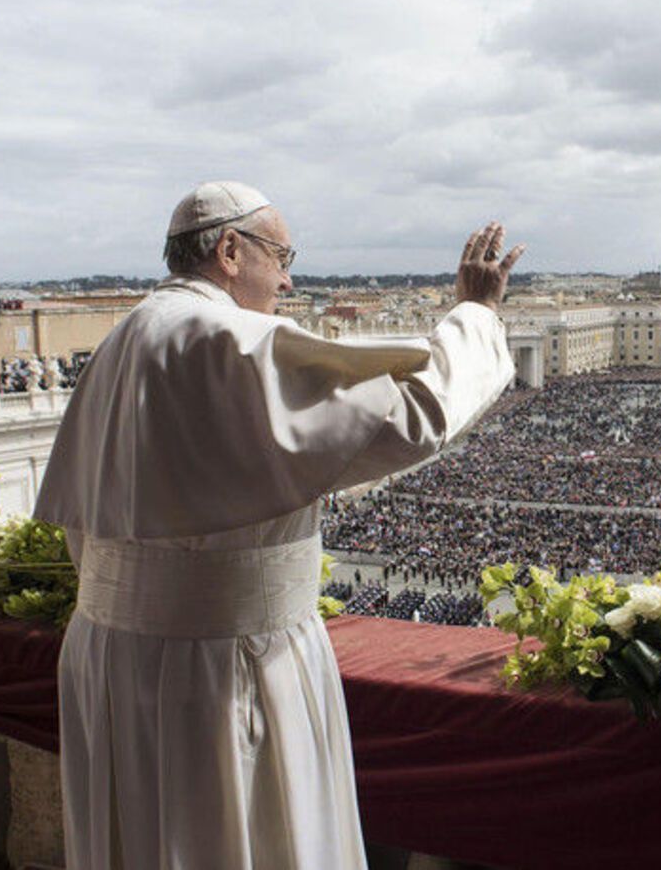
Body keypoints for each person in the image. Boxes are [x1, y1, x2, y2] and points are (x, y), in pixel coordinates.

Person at [34, 180, 523, 869]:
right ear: (230, 250)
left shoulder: (122, 340)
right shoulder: (225, 339)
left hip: (110, 658)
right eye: (283, 255)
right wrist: (474, 312)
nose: (290, 280)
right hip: (225, 666)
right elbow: (411, 414)